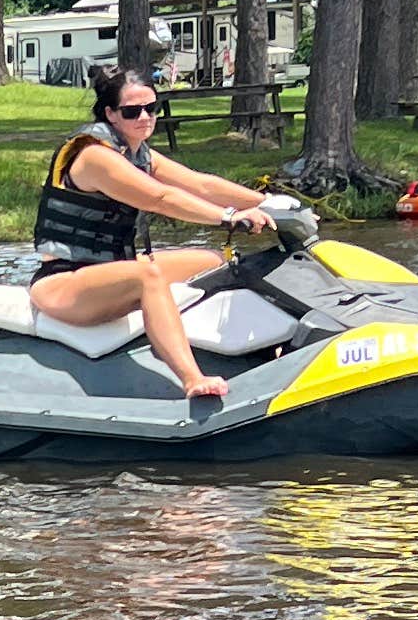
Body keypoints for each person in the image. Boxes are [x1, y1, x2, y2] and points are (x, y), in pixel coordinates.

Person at [25, 58, 296, 409]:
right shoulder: (95, 156)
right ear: (110, 114)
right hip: (64, 281)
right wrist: (229, 217)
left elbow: (201, 183)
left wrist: (272, 202)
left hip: (111, 270)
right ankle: (193, 379)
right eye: (132, 111)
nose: (144, 118)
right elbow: (160, 197)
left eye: (151, 108)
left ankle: (257, 348)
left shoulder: (139, 153)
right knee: (146, 274)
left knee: (216, 262)